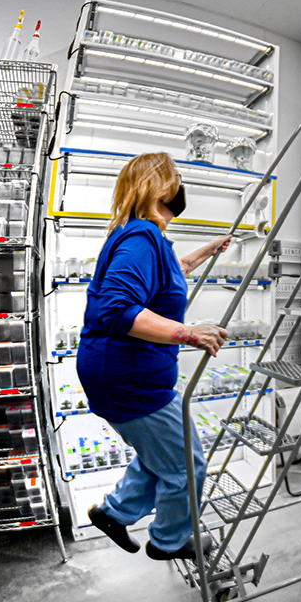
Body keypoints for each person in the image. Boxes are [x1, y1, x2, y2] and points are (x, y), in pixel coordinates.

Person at [76, 152, 231, 561]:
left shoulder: (144, 237)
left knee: (158, 454)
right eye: (175, 178)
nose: (180, 186)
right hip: (130, 378)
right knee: (187, 466)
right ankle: (169, 540)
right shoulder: (142, 236)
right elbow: (116, 309)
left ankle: (114, 512)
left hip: (128, 375)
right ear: (159, 185)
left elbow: (172, 272)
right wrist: (187, 333)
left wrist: (208, 250)